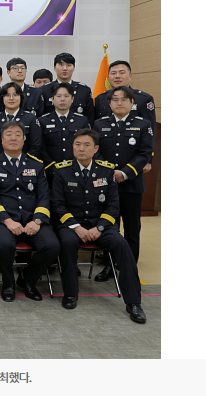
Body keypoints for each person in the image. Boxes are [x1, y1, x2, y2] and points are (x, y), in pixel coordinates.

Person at [52, 129, 146, 323]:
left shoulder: (106, 171)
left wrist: (100, 228)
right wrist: (76, 227)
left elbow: (113, 206)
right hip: (72, 226)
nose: (81, 149)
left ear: (95, 149)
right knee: (67, 243)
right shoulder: (61, 171)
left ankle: (134, 302)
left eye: (86, 145)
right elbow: (58, 206)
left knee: (122, 244)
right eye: (77, 144)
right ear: (72, 147)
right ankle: (70, 293)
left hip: (100, 225)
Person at [0, 120, 59, 302]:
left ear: (24, 140)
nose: (13, 138)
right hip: (4, 220)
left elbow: (44, 196)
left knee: (52, 246)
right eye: (9, 134)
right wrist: (8, 221)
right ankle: (8, 283)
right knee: (2, 246)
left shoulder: (36, 164)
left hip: (32, 220)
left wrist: (37, 221)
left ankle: (27, 280)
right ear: (2, 139)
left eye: (18, 134)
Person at [92, 86, 154, 274]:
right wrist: (110, 172)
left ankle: (129, 267)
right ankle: (109, 265)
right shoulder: (99, 124)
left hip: (132, 185)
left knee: (132, 228)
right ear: (109, 103)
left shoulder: (143, 124)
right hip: (107, 185)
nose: (119, 103)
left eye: (124, 99)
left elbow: (145, 153)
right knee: (109, 227)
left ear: (132, 103)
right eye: (115, 99)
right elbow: (96, 152)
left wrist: (125, 173)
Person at [93, 59, 157, 139]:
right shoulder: (100, 99)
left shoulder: (143, 99)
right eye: (113, 73)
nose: (117, 76)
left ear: (130, 76)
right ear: (108, 77)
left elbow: (150, 131)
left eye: (122, 72)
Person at [38, 82, 90, 178]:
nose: (62, 99)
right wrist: (51, 168)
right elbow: (40, 147)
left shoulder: (82, 120)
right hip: (51, 172)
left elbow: (87, 145)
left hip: (76, 171)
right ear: (52, 99)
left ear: (72, 99)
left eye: (66, 96)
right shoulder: (43, 121)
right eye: (58, 96)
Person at [0, 82, 42, 158]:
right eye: (7, 95)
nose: (11, 98)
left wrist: (22, 161)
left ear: (21, 97)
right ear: (2, 98)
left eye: (15, 95)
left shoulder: (30, 118)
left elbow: (36, 146)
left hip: (24, 162)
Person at [40, 53, 94, 121]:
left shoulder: (84, 90)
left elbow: (90, 117)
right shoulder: (44, 90)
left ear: (74, 68)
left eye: (68, 65)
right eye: (61, 65)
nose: (65, 68)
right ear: (54, 67)